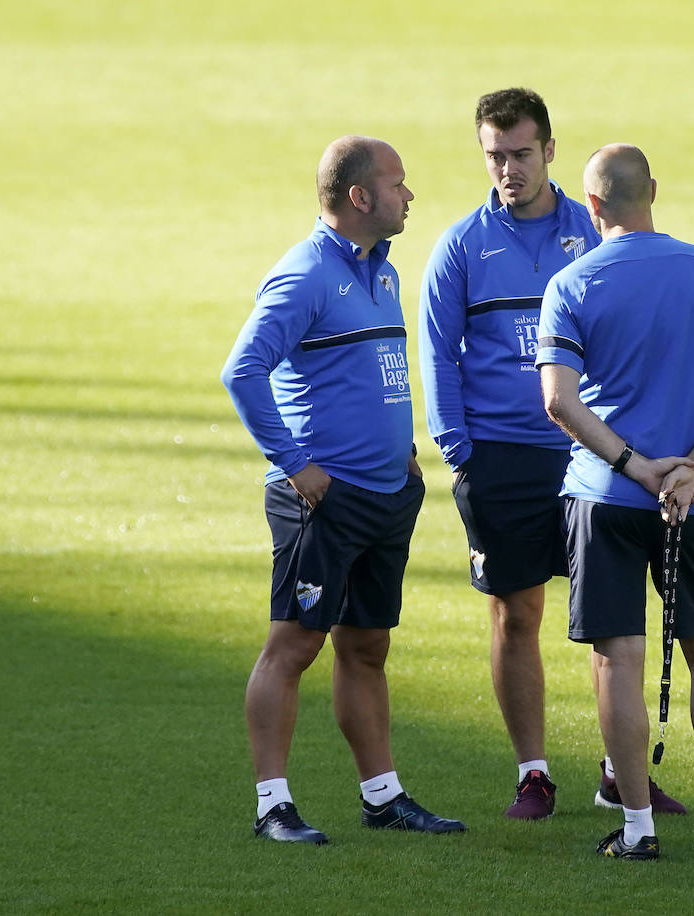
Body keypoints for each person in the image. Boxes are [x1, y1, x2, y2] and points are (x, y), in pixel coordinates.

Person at [418, 88, 685, 819]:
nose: (508, 169)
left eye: (521, 154)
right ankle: (533, 774)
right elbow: (437, 352)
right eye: (495, 157)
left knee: (613, 621)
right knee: (517, 614)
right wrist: (459, 450)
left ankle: (617, 774)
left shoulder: (595, 228)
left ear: (550, 151)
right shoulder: (461, 246)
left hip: (591, 453)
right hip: (500, 454)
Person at [221, 135, 464, 845]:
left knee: (367, 647)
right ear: (360, 197)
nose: (409, 194)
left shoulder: (380, 271)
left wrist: (405, 454)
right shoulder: (303, 276)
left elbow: (371, 376)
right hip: (322, 500)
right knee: (293, 648)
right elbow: (243, 371)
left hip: (385, 495)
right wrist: (295, 462)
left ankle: (382, 797)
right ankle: (272, 806)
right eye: (397, 183)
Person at [536, 144, 694, 859]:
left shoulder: (572, 283)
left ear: (594, 206)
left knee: (618, 658)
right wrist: (692, 467)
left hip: (605, 496)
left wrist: (637, 467)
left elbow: (557, 400)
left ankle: (637, 828)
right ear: (654, 193)